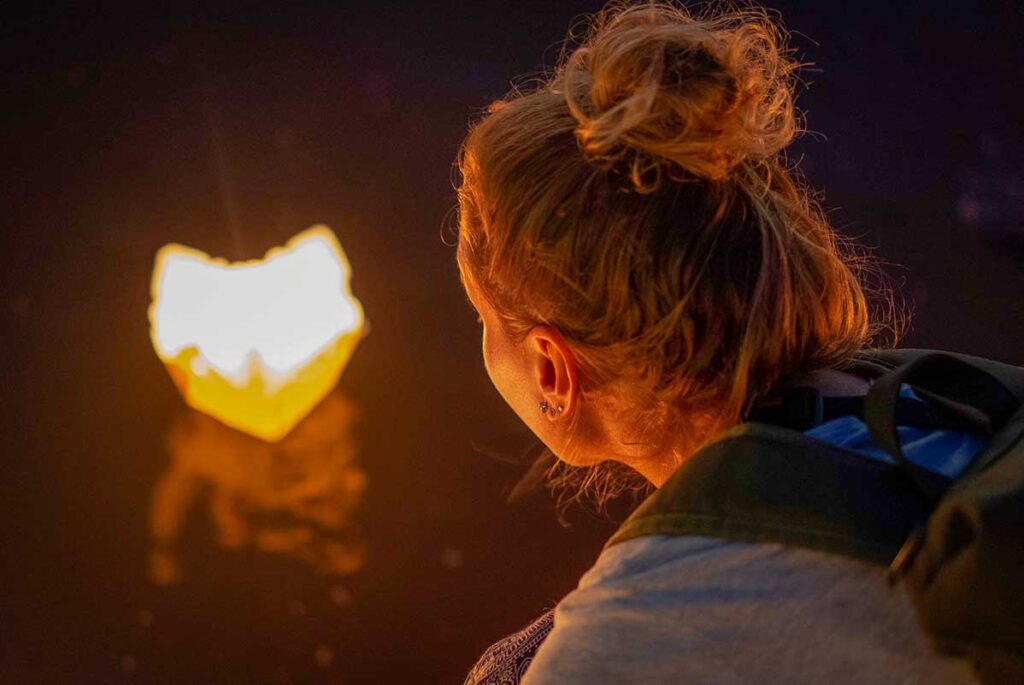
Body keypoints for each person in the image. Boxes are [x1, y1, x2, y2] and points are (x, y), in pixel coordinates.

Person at [454, 2, 995, 683]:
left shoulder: (605, 655)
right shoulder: (941, 405)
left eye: (482, 317)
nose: (479, 335)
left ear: (551, 370)